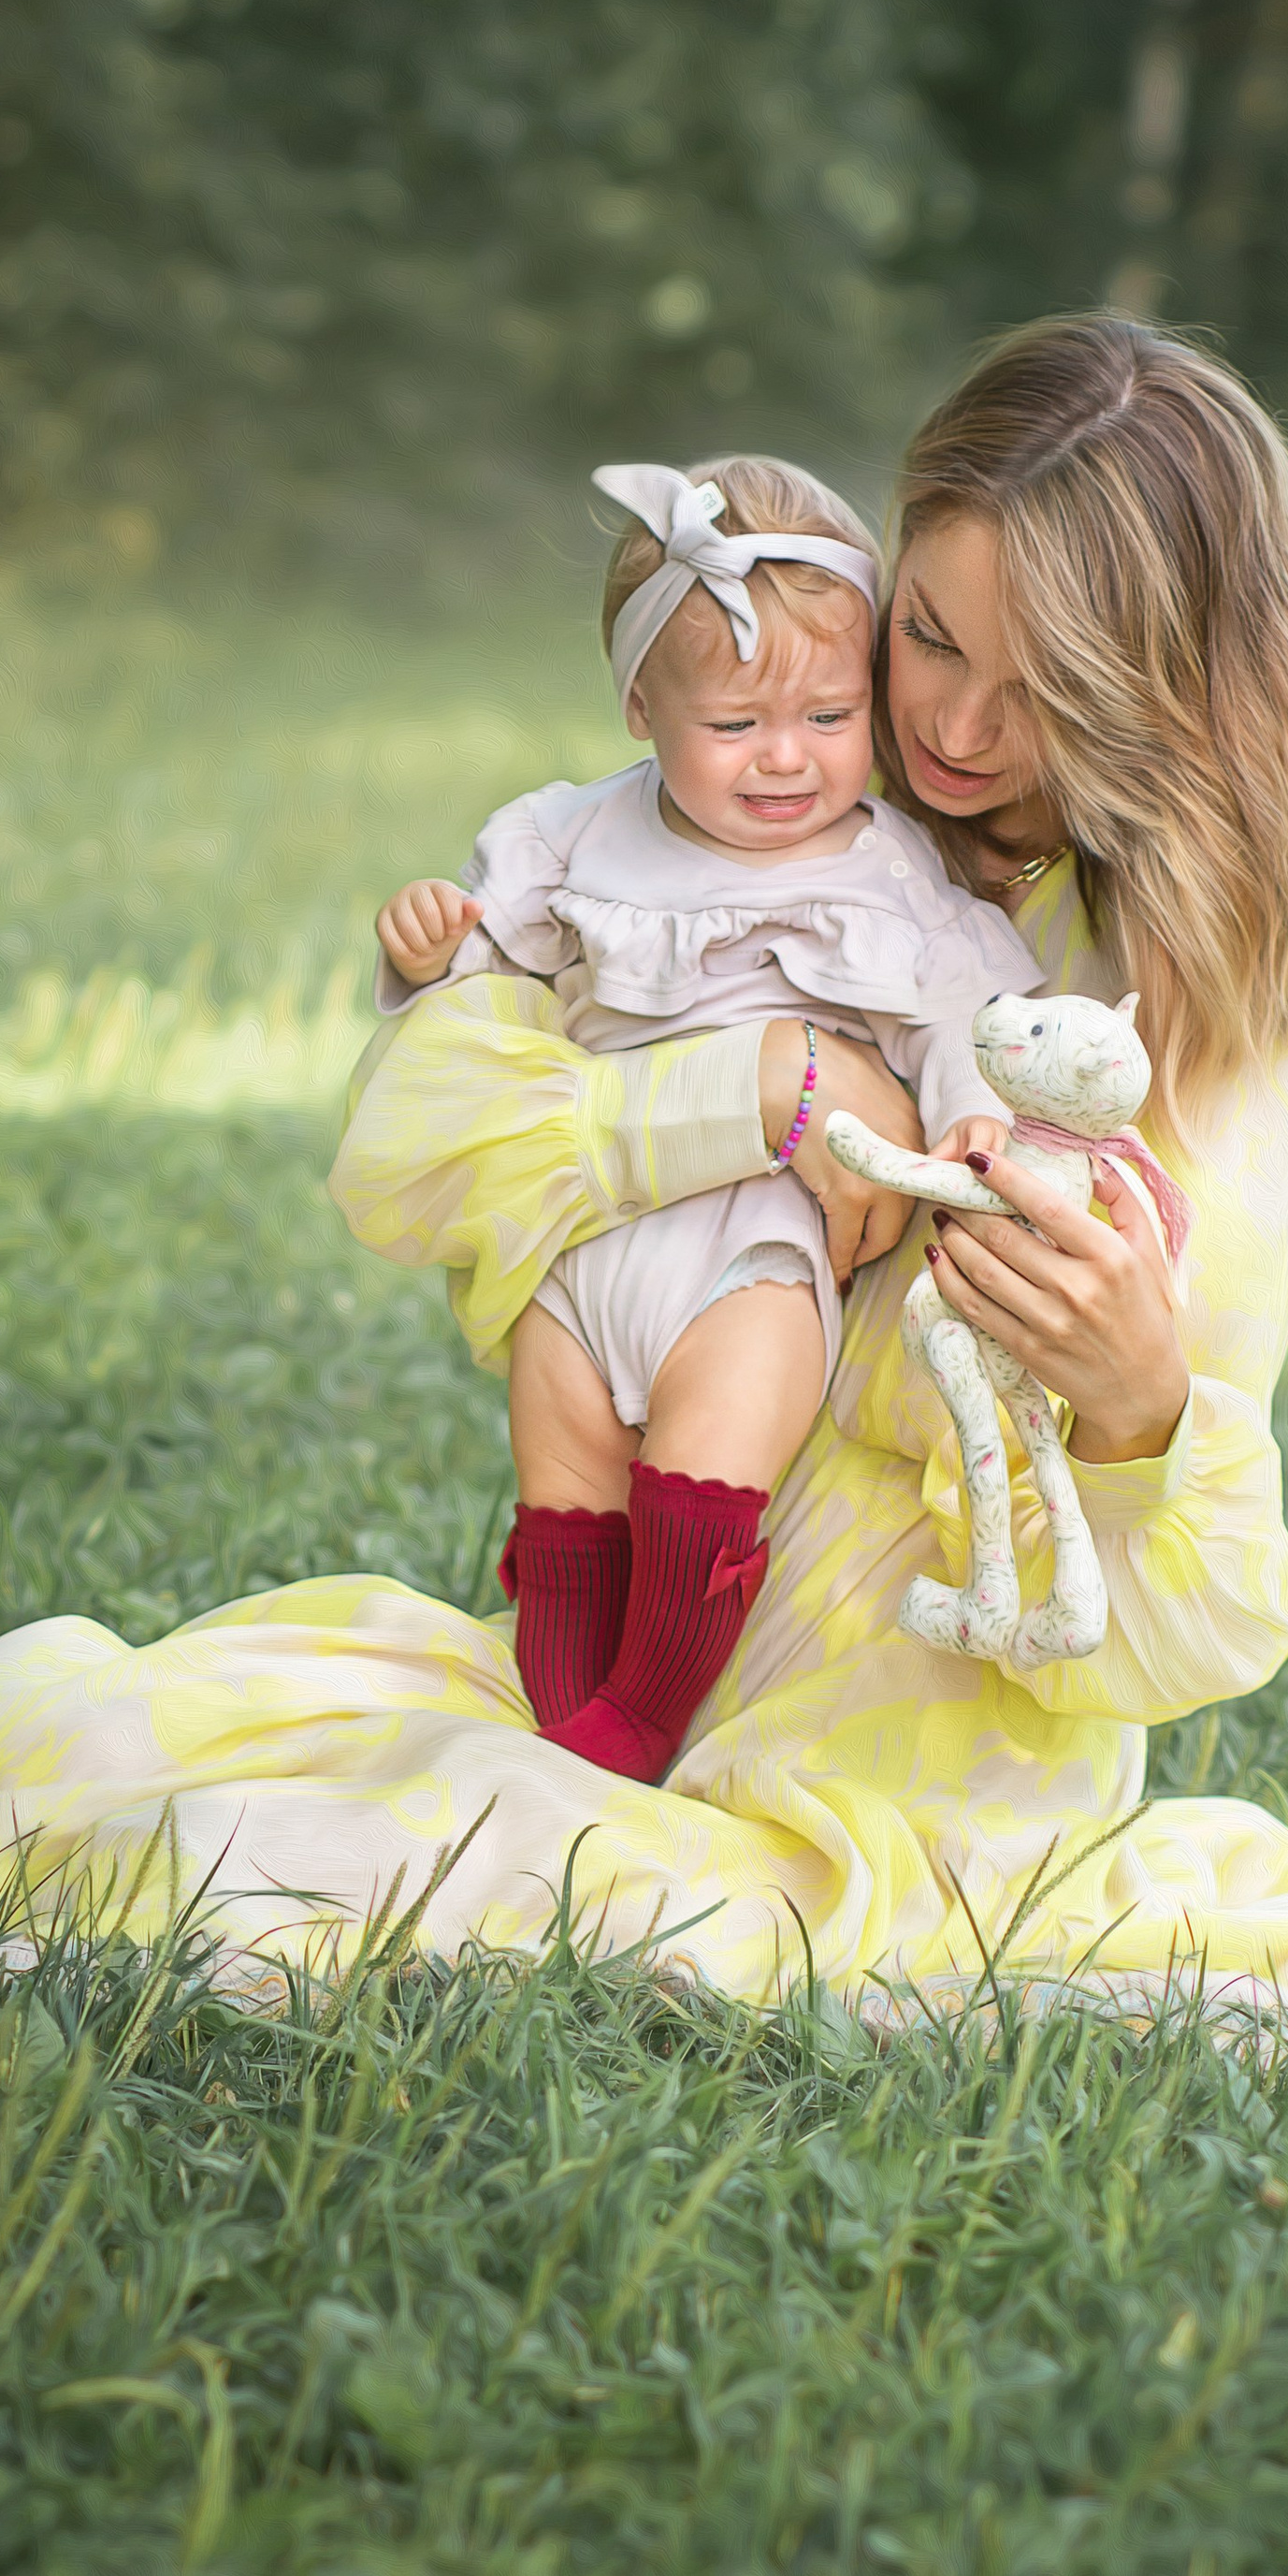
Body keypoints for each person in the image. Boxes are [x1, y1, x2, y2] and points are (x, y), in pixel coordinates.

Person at [0, 316, 1288, 2025]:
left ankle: (624, 1772)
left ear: (1169, 693)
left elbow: (1162, 1632)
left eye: (1046, 686)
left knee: (373, 1866)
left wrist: (1138, 1405)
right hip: (655, 1652)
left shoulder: (1221, 999)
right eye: (928, 632)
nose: (956, 733)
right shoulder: (783, 790)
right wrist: (758, 1086)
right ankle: (607, 1734)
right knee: (181, 1770)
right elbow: (422, 1156)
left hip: (924, 1777)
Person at [371, 454, 1040, 1783]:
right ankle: (557, 1710)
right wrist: (422, 954)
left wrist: (972, 1119)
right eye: (735, 724)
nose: (786, 758)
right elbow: (476, 1008)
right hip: (589, 1230)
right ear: (639, 703)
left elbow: (965, 1010)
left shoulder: (889, 868)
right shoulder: (567, 838)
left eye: (831, 715)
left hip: (757, 1245)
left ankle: (637, 1721)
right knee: (563, 1454)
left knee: (708, 1450)